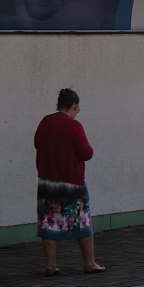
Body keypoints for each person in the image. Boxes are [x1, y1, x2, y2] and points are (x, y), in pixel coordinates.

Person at [33, 88, 105, 276]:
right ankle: (89, 263)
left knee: (49, 223)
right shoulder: (74, 126)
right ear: (72, 106)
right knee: (82, 222)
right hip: (72, 183)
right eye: (77, 108)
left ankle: (50, 266)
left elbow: (37, 143)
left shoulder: (45, 122)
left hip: (48, 183)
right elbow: (86, 153)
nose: (77, 112)